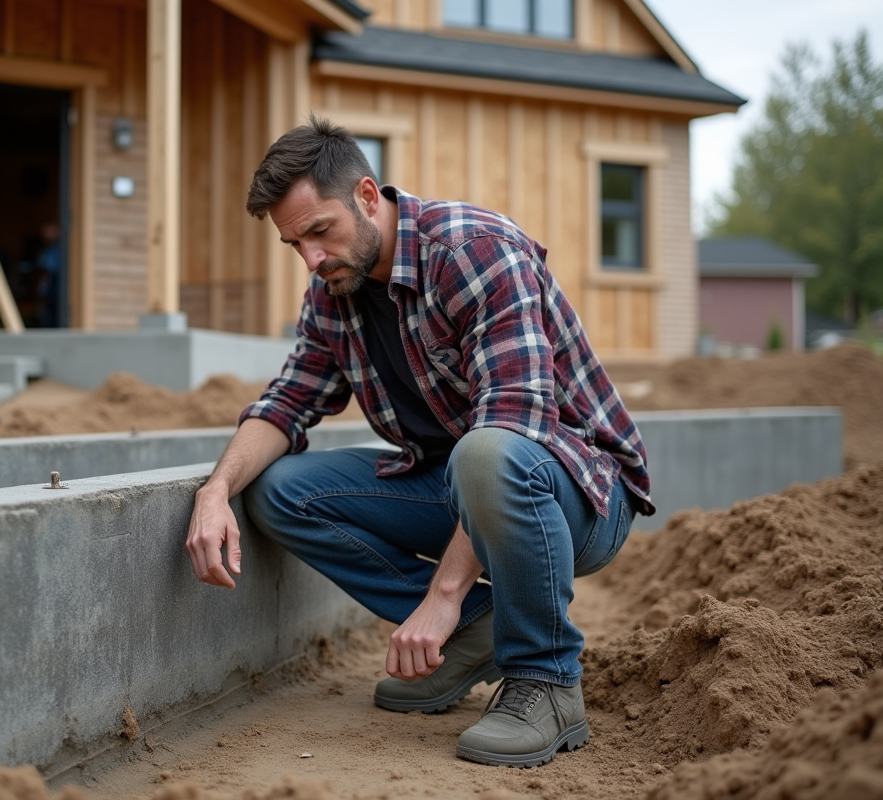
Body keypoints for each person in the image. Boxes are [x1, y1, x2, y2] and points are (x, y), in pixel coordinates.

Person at [184, 117, 654, 768]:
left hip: (579, 492)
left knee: (486, 453)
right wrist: (215, 492)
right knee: (277, 490)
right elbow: (286, 404)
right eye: (295, 244)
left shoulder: (474, 251)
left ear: (367, 195)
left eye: (320, 231)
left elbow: (514, 423)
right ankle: (475, 630)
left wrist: (442, 593)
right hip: (465, 485)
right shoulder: (334, 291)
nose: (312, 259)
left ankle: (545, 680)